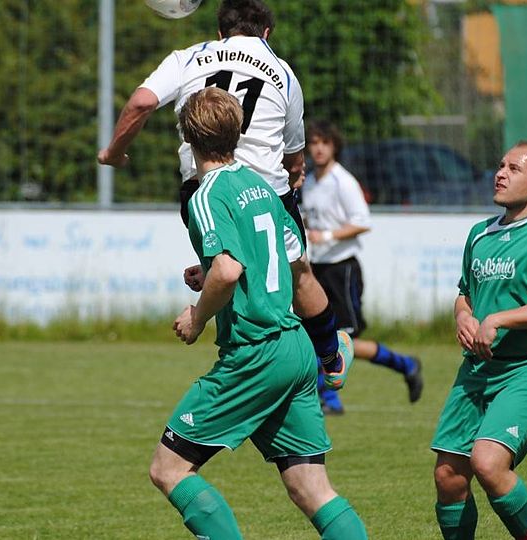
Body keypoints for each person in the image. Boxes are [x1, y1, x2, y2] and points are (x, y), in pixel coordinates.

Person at [98, 0, 350, 396]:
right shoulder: (283, 72)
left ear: (220, 32)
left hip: (203, 189)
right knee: (298, 273)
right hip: (265, 191)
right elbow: (294, 155)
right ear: (267, 33)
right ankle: (331, 360)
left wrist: (114, 152)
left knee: (228, 270)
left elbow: (142, 102)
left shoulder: (188, 57)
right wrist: (295, 175)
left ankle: (240, 360)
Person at [154, 87, 367, 539]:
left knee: (168, 469)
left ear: (187, 138)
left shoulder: (207, 196)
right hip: (295, 347)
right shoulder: (261, 187)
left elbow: (229, 270)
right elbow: (294, 263)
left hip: (255, 352)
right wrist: (209, 269)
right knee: (311, 488)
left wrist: (197, 317)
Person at [430, 140, 527, 540]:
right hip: (478, 368)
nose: (500, 173)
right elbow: (464, 294)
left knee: (487, 463)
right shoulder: (480, 234)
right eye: (501, 166)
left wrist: (497, 319)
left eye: (514, 169)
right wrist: (464, 316)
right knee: (448, 475)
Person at [299, 120, 424, 415]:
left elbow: (362, 222)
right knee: (317, 335)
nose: (318, 149)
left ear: (334, 146)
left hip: (342, 269)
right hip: (317, 267)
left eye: (324, 142)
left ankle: (402, 365)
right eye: (313, 143)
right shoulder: (310, 181)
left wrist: (326, 235)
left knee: (344, 339)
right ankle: (333, 399)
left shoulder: (343, 181)